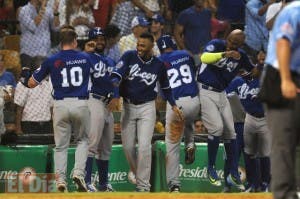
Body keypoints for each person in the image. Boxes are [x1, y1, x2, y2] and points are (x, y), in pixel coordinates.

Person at [110, 32, 183, 192]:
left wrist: (173, 104)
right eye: (138, 44)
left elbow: (165, 87)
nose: (139, 47)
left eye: (143, 45)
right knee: (128, 148)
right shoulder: (129, 56)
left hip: (147, 108)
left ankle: (143, 186)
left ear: (151, 46)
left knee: (144, 147)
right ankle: (140, 177)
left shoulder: (158, 64)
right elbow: (116, 75)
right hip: (128, 106)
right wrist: (115, 94)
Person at [26, 27, 93, 192]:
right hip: (80, 103)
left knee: (61, 146)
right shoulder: (85, 57)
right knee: (83, 141)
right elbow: (98, 77)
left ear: (60, 43)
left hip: (60, 105)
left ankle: (61, 180)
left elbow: (31, 83)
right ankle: (78, 173)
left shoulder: (51, 59)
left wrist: (28, 75)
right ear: (75, 41)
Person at [197, 29, 258, 190]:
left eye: (236, 44)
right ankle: (211, 168)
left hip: (221, 93)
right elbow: (204, 57)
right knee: (216, 128)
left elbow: (251, 74)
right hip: (205, 90)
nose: (232, 45)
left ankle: (233, 171)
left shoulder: (241, 56)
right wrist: (225, 54)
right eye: (231, 41)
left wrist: (262, 65)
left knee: (231, 132)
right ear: (227, 38)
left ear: (241, 45)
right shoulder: (216, 44)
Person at [263, 2, 300, 199]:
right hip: (282, 77)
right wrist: (286, 80)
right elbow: (283, 42)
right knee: (283, 145)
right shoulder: (294, 11)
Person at [157, 35, 200, 193]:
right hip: (195, 102)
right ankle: (190, 143)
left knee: (172, 147)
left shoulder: (158, 61)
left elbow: (161, 96)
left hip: (177, 105)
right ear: (173, 44)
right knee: (187, 119)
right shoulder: (185, 54)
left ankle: (174, 185)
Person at [226, 51, 271, 193]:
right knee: (243, 154)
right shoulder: (237, 82)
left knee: (262, 154)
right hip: (243, 122)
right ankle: (247, 185)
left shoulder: (262, 81)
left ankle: (263, 184)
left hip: (262, 119)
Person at [83, 27, 116, 192]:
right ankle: (87, 181)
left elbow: (115, 82)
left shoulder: (110, 61)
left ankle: (103, 183)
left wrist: (115, 95)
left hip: (107, 103)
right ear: (90, 41)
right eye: (96, 39)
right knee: (92, 144)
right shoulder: (86, 58)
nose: (100, 41)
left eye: (102, 38)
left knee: (106, 147)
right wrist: (85, 52)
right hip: (93, 100)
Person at [18, 0, 60, 70]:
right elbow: (33, 26)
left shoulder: (48, 10)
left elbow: (56, 28)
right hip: (29, 54)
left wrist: (56, 13)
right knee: (29, 79)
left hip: (45, 52)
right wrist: (43, 7)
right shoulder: (23, 10)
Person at [14, 66, 53, 135]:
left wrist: (54, 128)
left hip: (47, 125)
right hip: (28, 125)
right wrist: (18, 129)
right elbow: (18, 109)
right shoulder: (23, 84)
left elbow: (52, 109)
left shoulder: (48, 85)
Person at [174, 0, 211, 65]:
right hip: (193, 54)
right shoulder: (185, 14)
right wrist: (185, 51)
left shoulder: (208, 13)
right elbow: (176, 33)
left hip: (208, 53)